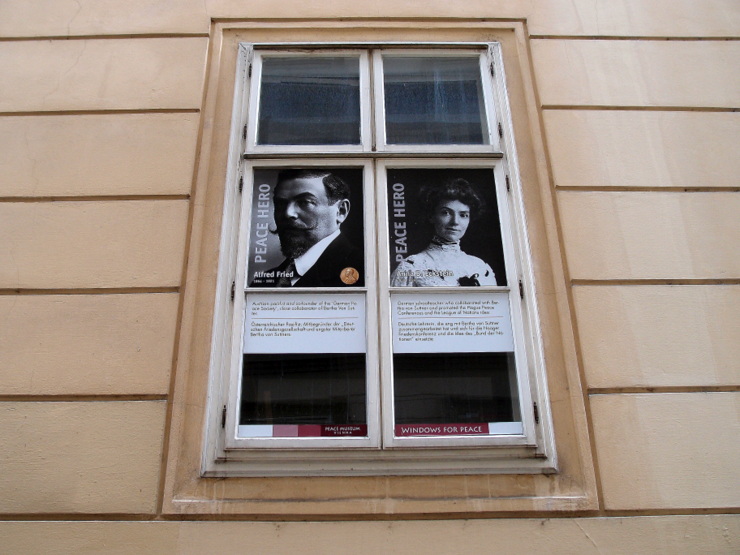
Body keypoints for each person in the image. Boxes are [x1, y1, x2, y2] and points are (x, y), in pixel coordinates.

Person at [250, 169, 364, 287]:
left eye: (305, 202)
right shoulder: (263, 283)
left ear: (341, 211)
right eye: (280, 203)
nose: (288, 213)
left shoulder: (364, 271)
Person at [390, 178, 496, 287]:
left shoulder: (480, 267)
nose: (455, 222)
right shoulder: (412, 267)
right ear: (431, 216)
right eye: (446, 213)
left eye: (463, 215)